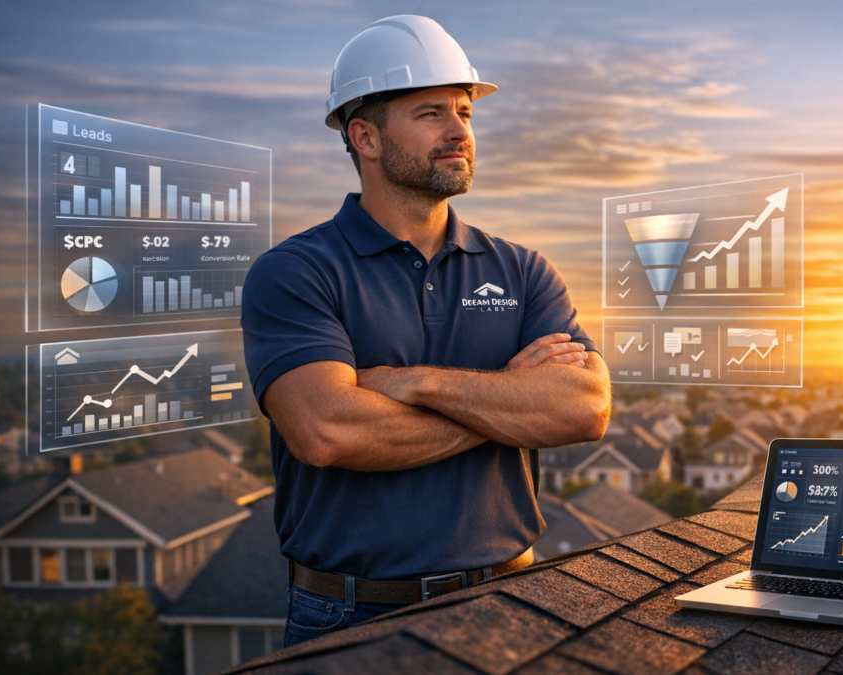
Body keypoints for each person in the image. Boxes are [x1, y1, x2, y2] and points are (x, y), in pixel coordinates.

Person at [241, 15, 610, 647]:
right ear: (367, 137)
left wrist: (413, 383)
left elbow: (585, 408)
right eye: (430, 113)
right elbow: (328, 431)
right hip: (353, 617)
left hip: (511, 600)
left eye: (465, 112)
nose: (459, 130)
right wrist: (508, 405)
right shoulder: (295, 273)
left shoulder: (521, 271)